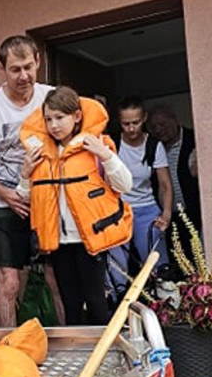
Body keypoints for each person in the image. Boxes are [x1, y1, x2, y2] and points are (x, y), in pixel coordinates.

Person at [17, 86, 133, 325]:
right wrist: (25, 174)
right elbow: (27, 198)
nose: (54, 125)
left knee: (96, 303)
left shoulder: (96, 146)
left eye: (60, 118)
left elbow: (125, 184)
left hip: (89, 241)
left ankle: (104, 357)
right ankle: (79, 357)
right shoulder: (40, 153)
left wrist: (106, 156)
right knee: (70, 305)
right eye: (48, 119)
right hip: (59, 243)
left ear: (77, 116)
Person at [0, 35, 55, 327]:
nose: (24, 76)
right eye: (15, 69)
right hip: (2, 202)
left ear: (38, 62)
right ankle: (8, 351)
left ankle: (72, 342)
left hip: (45, 199)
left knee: (56, 277)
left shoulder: (51, 97)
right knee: (9, 281)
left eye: (28, 67)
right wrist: (4, 193)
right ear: (2, 69)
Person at [107, 96, 172, 294]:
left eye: (135, 122)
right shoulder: (112, 145)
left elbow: (165, 185)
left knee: (157, 266)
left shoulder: (154, 146)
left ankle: (166, 311)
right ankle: (115, 311)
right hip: (118, 211)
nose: (131, 128)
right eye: (126, 123)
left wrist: (166, 213)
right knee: (116, 270)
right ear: (120, 122)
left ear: (144, 119)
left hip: (147, 209)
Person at [146, 105, 201, 264]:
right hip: (166, 216)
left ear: (174, 121)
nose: (158, 130)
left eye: (162, 124)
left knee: (195, 256)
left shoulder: (193, 139)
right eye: (153, 127)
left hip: (192, 212)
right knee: (175, 258)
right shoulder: (153, 147)